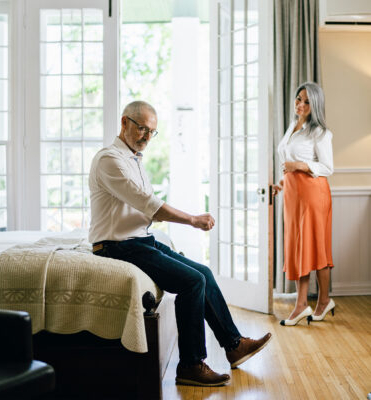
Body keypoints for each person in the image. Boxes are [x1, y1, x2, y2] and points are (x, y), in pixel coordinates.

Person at [89, 100, 271, 387]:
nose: (147, 137)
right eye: (142, 129)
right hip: (116, 245)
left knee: (204, 274)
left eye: (152, 132)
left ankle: (234, 345)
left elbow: (143, 209)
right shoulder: (109, 159)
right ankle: (191, 365)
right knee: (191, 282)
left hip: (139, 240)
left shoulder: (134, 159)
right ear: (124, 123)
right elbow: (148, 204)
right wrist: (192, 220)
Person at [273, 82, 335, 326]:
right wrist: (283, 182)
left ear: (315, 104)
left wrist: (298, 166)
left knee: (316, 247)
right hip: (293, 194)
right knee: (299, 247)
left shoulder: (320, 132)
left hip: (313, 195)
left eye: (307, 101)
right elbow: (288, 161)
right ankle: (305, 304)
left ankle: (317, 301)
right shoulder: (292, 126)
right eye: (299, 99)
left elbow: (327, 167)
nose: (300, 104)